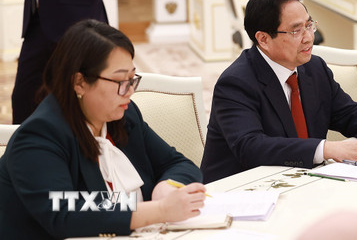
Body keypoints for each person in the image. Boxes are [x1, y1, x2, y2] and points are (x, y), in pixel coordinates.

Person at [0, 20, 206, 239]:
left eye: (131, 79)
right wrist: (159, 210)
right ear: (79, 82)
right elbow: (65, 212)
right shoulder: (39, 136)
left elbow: (177, 163)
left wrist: (165, 187)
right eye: (119, 81)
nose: (129, 91)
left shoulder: (124, 116)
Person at [200, 0, 357, 182]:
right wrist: (326, 148)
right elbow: (251, 147)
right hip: (242, 193)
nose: (309, 38)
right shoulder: (236, 82)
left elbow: (347, 113)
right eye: (296, 31)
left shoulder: (314, 67)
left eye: (309, 25)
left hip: (302, 182)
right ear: (264, 39)